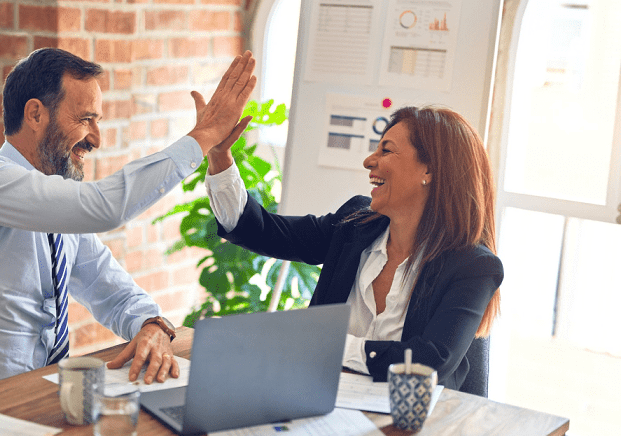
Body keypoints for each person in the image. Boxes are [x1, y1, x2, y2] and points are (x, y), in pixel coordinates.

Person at [0, 47, 256, 398]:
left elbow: (111, 289)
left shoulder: (57, 211)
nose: (96, 139)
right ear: (36, 115)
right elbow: (105, 207)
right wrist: (204, 136)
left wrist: (151, 324)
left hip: (31, 403)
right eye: (86, 119)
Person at [204, 106, 503, 390]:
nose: (369, 161)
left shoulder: (473, 266)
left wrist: (328, 344)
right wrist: (220, 157)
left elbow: (429, 362)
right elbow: (265, 232)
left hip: (414, 427)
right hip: (321, 404)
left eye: (386, 150)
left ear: (429, 170)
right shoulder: (355, 225)